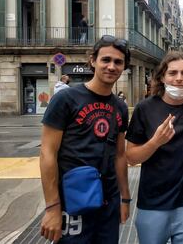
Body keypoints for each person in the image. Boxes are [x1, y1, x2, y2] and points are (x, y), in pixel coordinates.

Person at [40, 35, 131, 243]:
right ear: (93, 60)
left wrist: (124, 199)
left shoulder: (120, 107)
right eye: (105, 60)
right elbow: (47, 153)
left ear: (124, 66)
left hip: (107, 203)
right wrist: (52, 207)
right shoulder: (65, 99)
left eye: (118, 62)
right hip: (73, 201)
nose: (111, 66)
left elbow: (119, 155)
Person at [125, 51, 183, 244]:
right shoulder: (144, 108)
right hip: (152, 204)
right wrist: (155, 142)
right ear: (162, 77)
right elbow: (131, 157)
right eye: (173, 73)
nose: (179, 78)